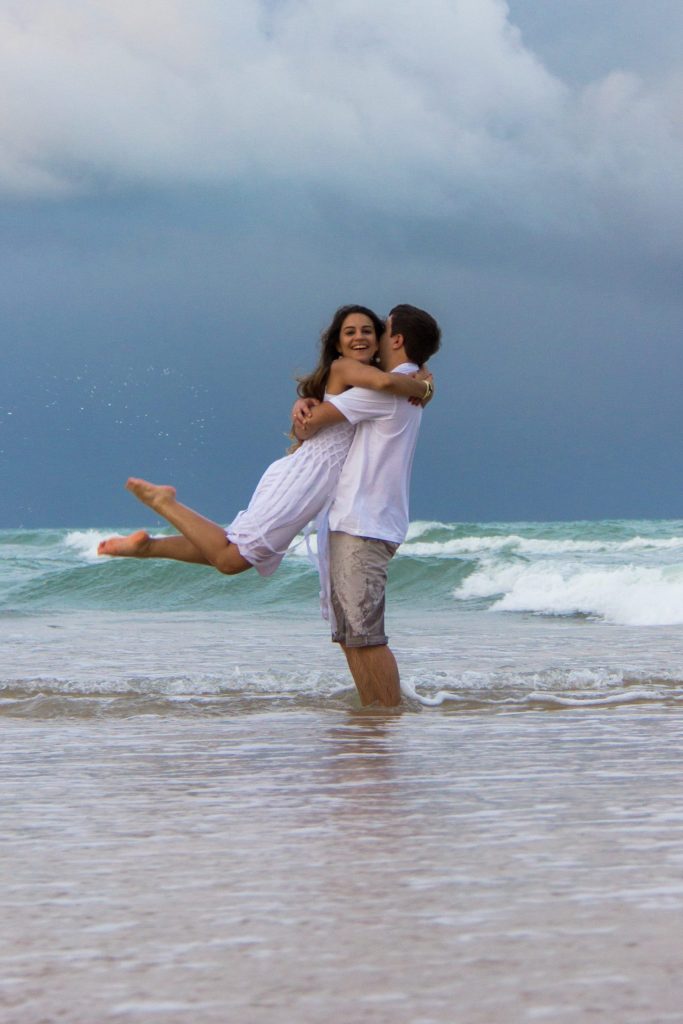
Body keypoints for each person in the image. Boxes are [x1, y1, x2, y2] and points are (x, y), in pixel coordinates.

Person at [97, 305, 433, 579]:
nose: (359, 336)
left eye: (367, 331)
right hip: (309, 474)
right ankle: (165, 502)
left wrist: (419, 375)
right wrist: (424, 388)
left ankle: (148, 547)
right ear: (338, 344)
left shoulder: (365, 383)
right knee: (232, 559)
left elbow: (381, 387)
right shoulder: (347, 369)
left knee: (234, 547)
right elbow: (384, 383)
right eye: (350, 332)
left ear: (381, 340)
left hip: (314, 479)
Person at [291, 304, 441, 708]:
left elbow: (307, 427)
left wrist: (304, 407)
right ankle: (375, 725)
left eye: (382, 328)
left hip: (364, 524)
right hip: (362, 523)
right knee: (353, 637)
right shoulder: (403, 387)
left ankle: (385, 723)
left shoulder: (385, 391)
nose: (371, 334)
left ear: (395, 340)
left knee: (365, 638)